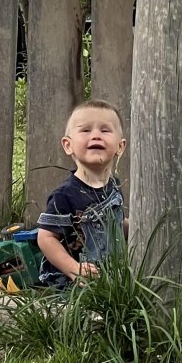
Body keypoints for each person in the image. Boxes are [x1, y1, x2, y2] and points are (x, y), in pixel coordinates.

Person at [36, 100, 127, 289]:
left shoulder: (113, 185)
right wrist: (74, 270)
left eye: (105, 130)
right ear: (68, 145)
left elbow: (116, 223)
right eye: (85, 130)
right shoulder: (65, 195)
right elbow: (46, 238)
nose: (96, 136)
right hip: (73, 286)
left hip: (108, 279)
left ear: (120, 146)